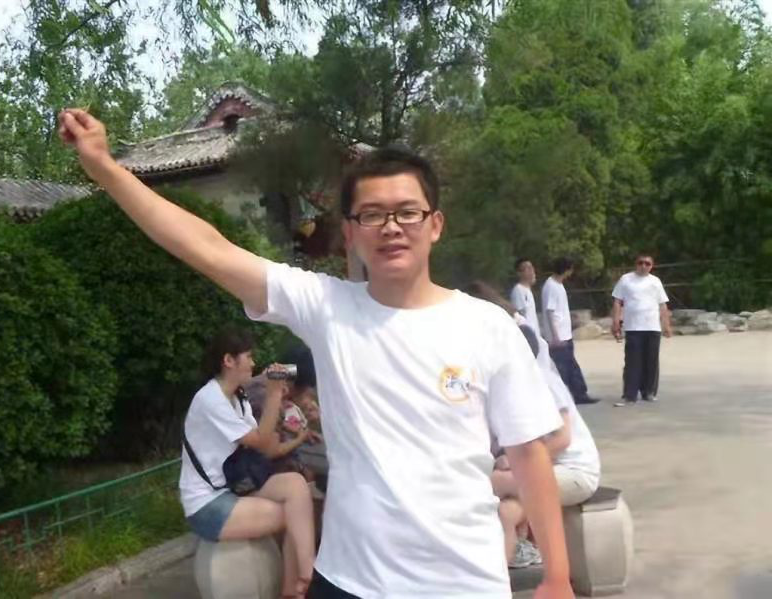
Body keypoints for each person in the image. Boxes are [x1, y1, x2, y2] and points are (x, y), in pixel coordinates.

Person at [59, 109, 574, 599]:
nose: (391, 227)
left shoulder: (487, 326)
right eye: (371, 215)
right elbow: (209, 248)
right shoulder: (327, 307)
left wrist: (557, 575)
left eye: (407, 212)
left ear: (435, 224)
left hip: (463, 582)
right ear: (349, 233)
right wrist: (106, 168)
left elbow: (529, 455)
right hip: (349, 580)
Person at [466, 282, 600, 569]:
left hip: (573, 471)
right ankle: (509, 563)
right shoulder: (494, 382)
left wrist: (511, 460)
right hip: (543, 469)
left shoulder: (539, 378)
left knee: (478, 484)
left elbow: (562, 438)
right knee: (504, 511)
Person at [179, 327, 315, 598]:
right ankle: (304, 580)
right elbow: (263, 441)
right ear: (228, 360)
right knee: (293, 516)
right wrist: (274, 395)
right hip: (206, 504)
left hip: (231, 489)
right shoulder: (210, 399)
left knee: (296, 485)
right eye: (249, 356)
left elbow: (268, 444)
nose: (254, 363)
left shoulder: (237, 398)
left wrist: (277, 403)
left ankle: (300, 581)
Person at [611, 253, 673, 407]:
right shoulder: (626, 279)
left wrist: (666, 325)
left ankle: (648, 392)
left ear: (652, 266)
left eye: (647, 264)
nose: (644, 266)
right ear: (636, 264)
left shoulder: (655, 281)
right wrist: (616, 321)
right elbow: (617, 301)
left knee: (651, 361)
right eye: (641, 263)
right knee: (632, 362)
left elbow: (662, 304)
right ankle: (630, 394)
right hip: (633, 327)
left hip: (652, 326)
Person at [541, 257, 599, 405]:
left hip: (564, 333)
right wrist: (555, 336)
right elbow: (550, 311)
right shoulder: (551, 286)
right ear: (567, 270)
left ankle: (579, 394)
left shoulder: (558, 285)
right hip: (558, 336)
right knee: (562, 368)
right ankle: (563, 397)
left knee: (571, 366)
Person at [510, 257, 541, 336]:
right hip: (527, 336)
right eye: (528, 268)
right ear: (519, 273)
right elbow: (519, 316)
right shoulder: (518, 290)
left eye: (532, 268)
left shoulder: (528, 290)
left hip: (534, 335)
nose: (532, 271)